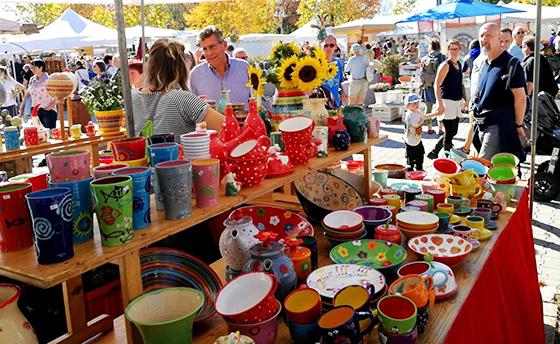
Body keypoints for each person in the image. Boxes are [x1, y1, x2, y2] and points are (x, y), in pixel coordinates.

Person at [131, 39, 224, 141]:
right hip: (176, 156)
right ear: (181, 67)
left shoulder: (132, 97)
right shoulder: (181, 98)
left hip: (141, 156)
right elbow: (226, 127)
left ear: (150, 65)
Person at [471, 23, 526, 161]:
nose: (484, 39)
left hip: (498, 126)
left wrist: (518, 124)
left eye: (489, 35)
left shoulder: (511, 64)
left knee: (482, 167)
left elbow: (521, 99)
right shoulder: (485, 63)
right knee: (490, 168)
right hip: (482, 124)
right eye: (482, 35)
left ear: (499, 39)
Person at [189, 26, 250, 107]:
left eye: (212, 47)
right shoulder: (196, 74)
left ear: (224, 45)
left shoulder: (244, 68)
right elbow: (191, 110)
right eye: (205, 49)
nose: (209, 53)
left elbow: (256, 100)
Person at [427, 39, 467, 160]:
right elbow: (436, 85)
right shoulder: (445, 65)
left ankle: (434, 151)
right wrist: (439, 103)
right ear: (447, 51)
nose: (454, 51)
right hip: (447, 101)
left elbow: (461, 84)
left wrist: (466, 100)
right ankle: (448, 159)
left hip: (457, 101)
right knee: (449, 132)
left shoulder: (459, 64)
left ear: (460, 50)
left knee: (453, 131)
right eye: (451, 49)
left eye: (456, 49)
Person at [403, 93, 438, 171]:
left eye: (417, 102)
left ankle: (419, 168)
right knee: (410, 157)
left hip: (417, 139)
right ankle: (410, 170)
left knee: (420, 154)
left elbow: (425, 117)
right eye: (414, 103)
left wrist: (436, 113)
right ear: (408, 106)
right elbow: (415, 125)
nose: (417, 104)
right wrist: (422, 121)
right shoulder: (410, 114)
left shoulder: (417, 112)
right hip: (410, 141)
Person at [19, 59, 57, 128]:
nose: (32, 69)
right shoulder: (32, 79)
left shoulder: (50, 79)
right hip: (35, 110)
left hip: (48, 110)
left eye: (34, 67)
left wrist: (50, 106)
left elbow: (58, 95)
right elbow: (28, 93)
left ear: (41, 67)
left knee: (49, 134)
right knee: (39, 134)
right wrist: (22, 106)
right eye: (31, 68)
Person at [420, 38, 446, 135]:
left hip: (427, 86)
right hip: (439, 86)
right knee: (439, 107)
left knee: (428, 108)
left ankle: (429, 128)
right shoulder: (442, 57)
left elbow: (421, 73)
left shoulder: (424, 58)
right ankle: (440, 128)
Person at [321, 35, 345, 108]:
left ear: (336, 47)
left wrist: (342, 93)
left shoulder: (338, 63)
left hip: (335, 105)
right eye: (326, 45)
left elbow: (340, 83)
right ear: (322, 46)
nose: (328, 48)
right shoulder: (317, 63)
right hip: (321, 106)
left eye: (331, 45)